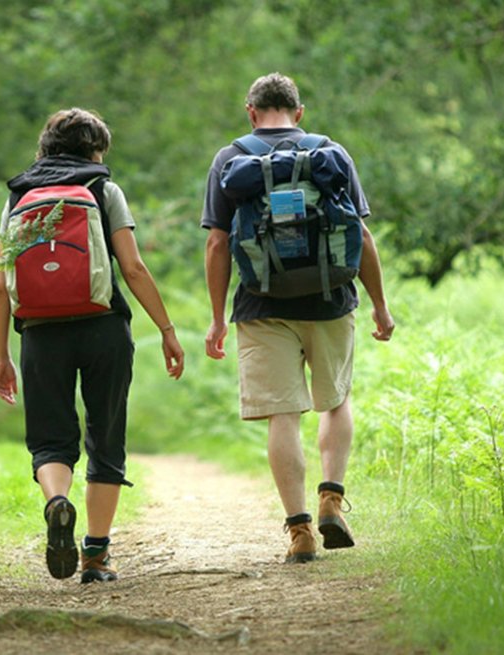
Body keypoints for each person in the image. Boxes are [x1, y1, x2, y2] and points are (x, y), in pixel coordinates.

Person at [201, 73, 395, 563]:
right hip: (331, 299)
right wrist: (379, 304)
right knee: (335, 400)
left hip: (262, 306)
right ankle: (331, 497)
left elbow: (218, 243)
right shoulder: (330, 153)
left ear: (250, 111)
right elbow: (362, 236)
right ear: (299, 112)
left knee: (283, 416)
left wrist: (218, 317)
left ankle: (300, 531)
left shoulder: (231, 159)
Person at [0, 108, 185, 583]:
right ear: (95, 150)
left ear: (46, 146)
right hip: (103, 327)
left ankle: (58, 502)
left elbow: (1, 285)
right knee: (106, 434)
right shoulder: (104, 190)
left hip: (39, 332)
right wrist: (166, 328)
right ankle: (95, 556)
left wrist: (1, 356)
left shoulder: (20, 195)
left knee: (50, 438)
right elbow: (134, 268)